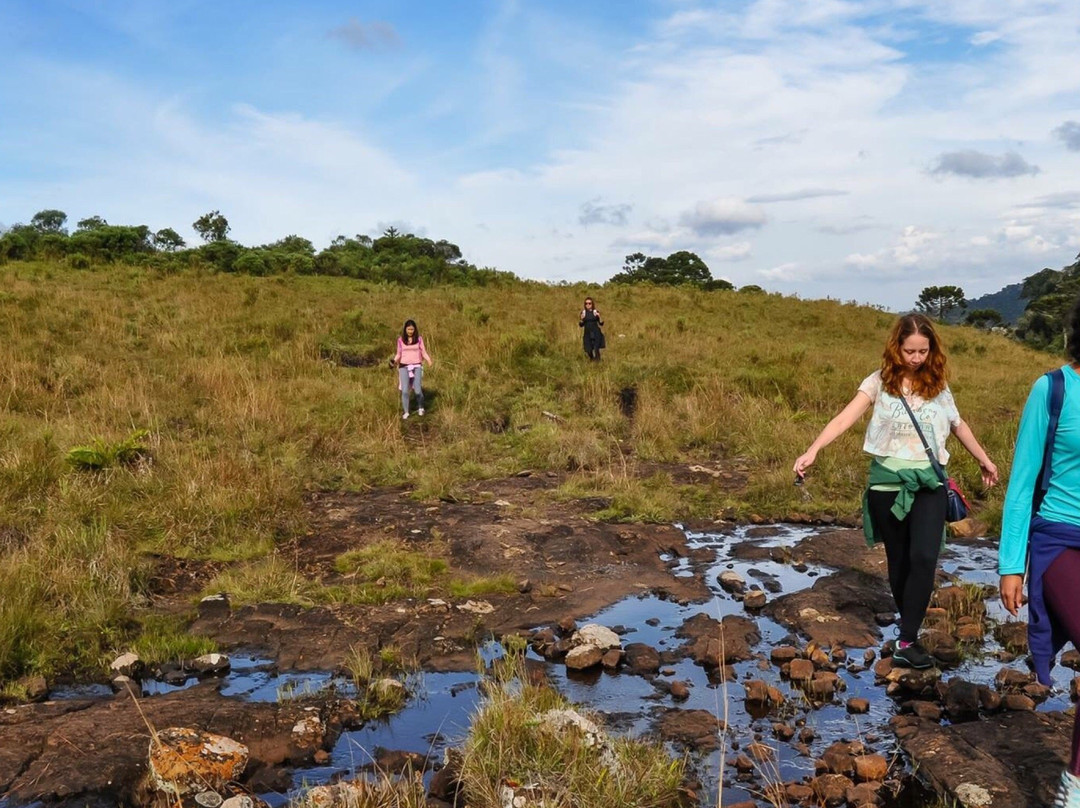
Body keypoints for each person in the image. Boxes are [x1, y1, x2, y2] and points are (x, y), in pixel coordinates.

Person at [793, 313, 998, 669]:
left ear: (931, 350)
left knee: (923, 558)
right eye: (909, 351)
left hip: (929, 485)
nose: (916, 358)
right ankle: (910, 636)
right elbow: (845, 417)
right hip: (886, 485)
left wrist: (983, 459)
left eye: (922, 350)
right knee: (899, 561)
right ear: (896, 348)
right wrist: (813, 449)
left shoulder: (938, 385)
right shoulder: (877, 383)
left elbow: (958, 424)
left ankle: (905, 638)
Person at [998, 295, 1080, 807]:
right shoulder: (1052, 390)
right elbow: (1022, 481)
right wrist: (1011, 564)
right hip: (1060, 542)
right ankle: (1074, 788)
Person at [394, 319, 432, 419]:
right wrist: (393, 361)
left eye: (412, 329)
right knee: (405, 391)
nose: (410, 331)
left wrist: (428, 360)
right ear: (405, 329)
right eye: (408, 329)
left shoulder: (419, 339)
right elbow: (398, 354)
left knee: (418, 390)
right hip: (403, 366)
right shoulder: (400, 340)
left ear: (415, 329)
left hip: (416, 366)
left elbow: (423, 352)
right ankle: (406, 411)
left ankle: (420, 407)